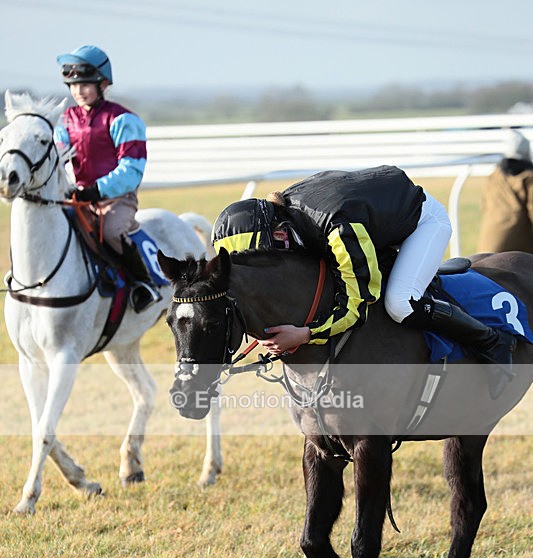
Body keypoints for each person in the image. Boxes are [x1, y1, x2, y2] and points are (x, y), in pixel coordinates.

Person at [212, 168, 515, 396]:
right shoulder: (284, 218)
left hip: (423, 221)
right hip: (373, 219)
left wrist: (306, 335)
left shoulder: (336, 229)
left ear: (280, 235)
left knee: (400, 303)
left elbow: (356, 304)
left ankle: (491, 341)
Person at [54, 44, 160, 312]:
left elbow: (132, 169)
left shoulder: (123, 119)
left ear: (103, 84)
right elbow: (57, 155)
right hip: (79, 195)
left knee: (112, 231)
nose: (79, 91)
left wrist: (96, 190)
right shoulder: (67, 120)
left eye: (86, 85)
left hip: (117, 197)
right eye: (74, 86)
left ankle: (143, 283)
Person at [478, 129, 533, 254]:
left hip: (486, 246)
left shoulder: (494, 174)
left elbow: (484, 205)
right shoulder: (528, 177)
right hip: (517, 250)